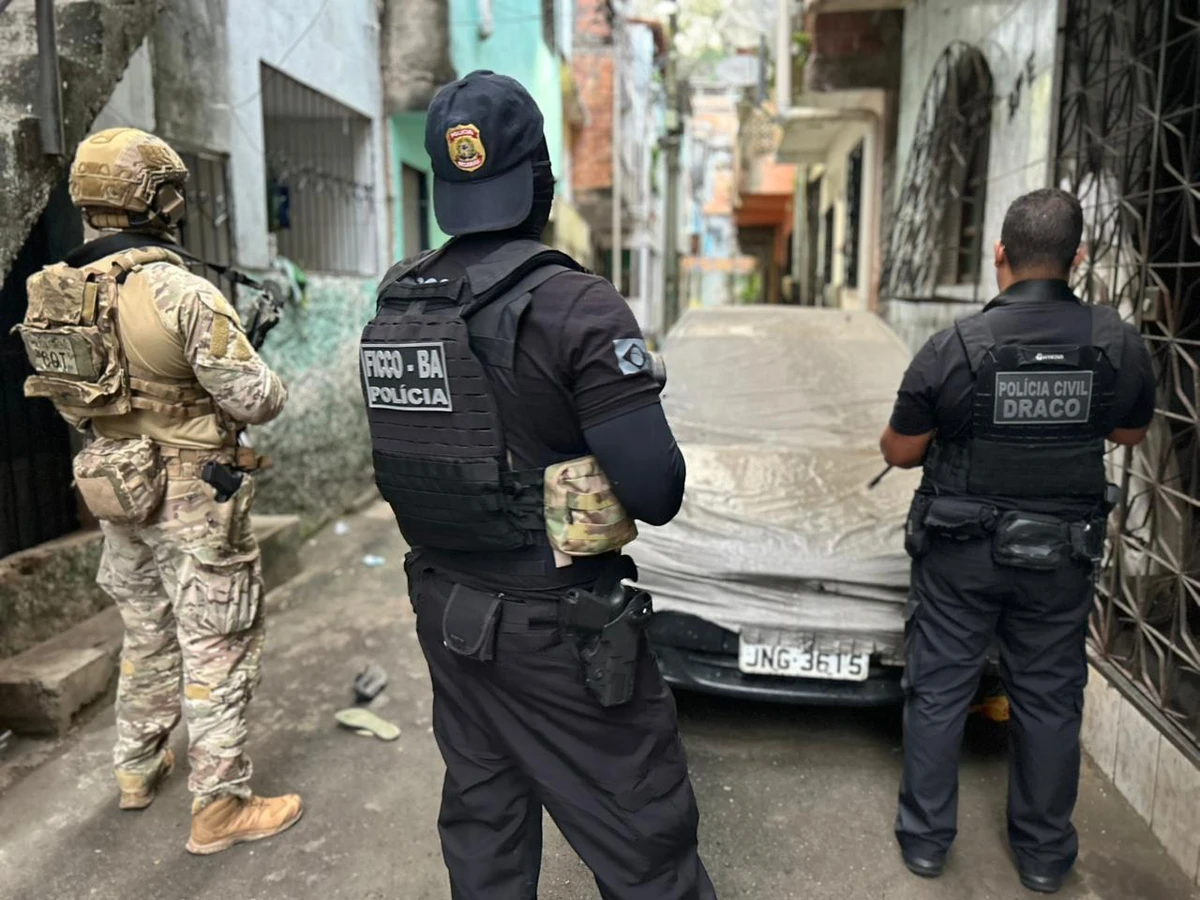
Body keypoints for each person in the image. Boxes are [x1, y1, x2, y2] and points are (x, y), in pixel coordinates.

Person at [359, 71, 716, 899]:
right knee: (645, 835)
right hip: (558, 629)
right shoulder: (577, 307)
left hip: (447, 609)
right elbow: (657, 491)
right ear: (541, 180)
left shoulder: (400, 301)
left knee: (486, 823)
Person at [16, 128, 302, 854]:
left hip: (115, 484)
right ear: (155, 199)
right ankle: (221, 807)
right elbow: (255, 399)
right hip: (192, 493)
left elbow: (68, 397)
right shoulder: (181, 290)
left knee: (145, 630)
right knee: (217, 640)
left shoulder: (56, 290)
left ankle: (138, 768)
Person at [879, 188, 1156, 894]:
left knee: (940, 691)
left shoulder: (954, 347)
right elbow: (1127, 432)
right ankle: (1041, 856)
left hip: (960, 555)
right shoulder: (1115, 342)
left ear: (999, 255)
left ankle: (925, 844)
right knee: (1049, 699)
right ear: (1077, 259)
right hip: (1059, 557)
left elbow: (902, 450)